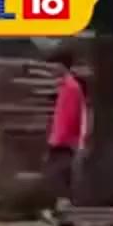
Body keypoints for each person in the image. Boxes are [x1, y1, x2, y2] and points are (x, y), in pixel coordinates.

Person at [45, 47, 88, 216]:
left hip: (64, 140)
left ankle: (65, 208)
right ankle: (62, 206)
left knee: (58, 174)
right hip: (61, 139)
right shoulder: (65, 86)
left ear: (62, 66)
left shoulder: (71, 88)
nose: (52, 70)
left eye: (54, 66)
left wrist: (60, 139)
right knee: (57, 174)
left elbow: (70, 117)